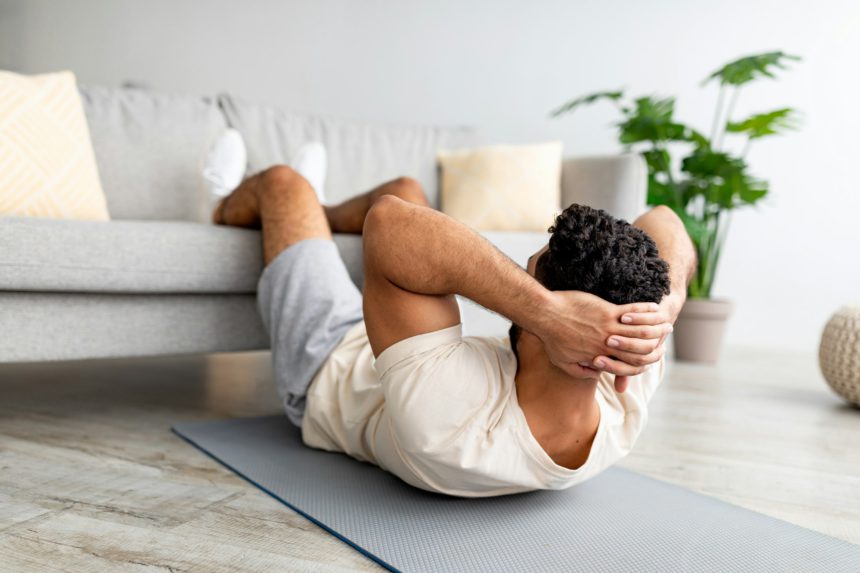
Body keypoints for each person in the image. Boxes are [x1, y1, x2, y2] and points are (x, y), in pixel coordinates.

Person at [210, 145, 695, 497]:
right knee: (406, 189)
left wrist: (548, 313)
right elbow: (665, 218)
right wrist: (665, 307)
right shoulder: (623, 368)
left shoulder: (452, 422)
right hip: (403, 341)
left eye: (531, 270)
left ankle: (222, 201)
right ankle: (320, 209)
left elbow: (390, 224)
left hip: (330, 361)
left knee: (282, 183)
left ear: (559, 329)